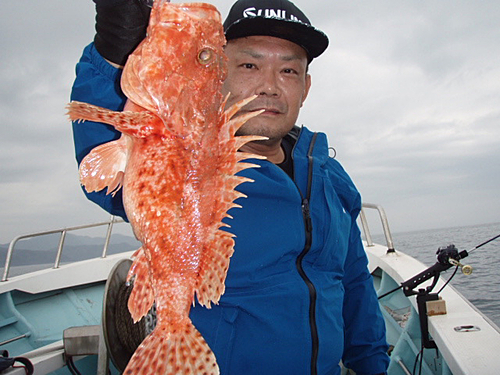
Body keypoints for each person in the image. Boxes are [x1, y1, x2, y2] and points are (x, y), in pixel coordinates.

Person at [71, 0, 390, 374]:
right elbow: (103, 151)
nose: (270, 86)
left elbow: (353, 283)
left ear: (305, 87)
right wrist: (111, 53)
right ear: (219, 74)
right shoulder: (188, 160)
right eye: (250, 65)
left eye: (288, 70)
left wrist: (372, 365)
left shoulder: (330, 177)